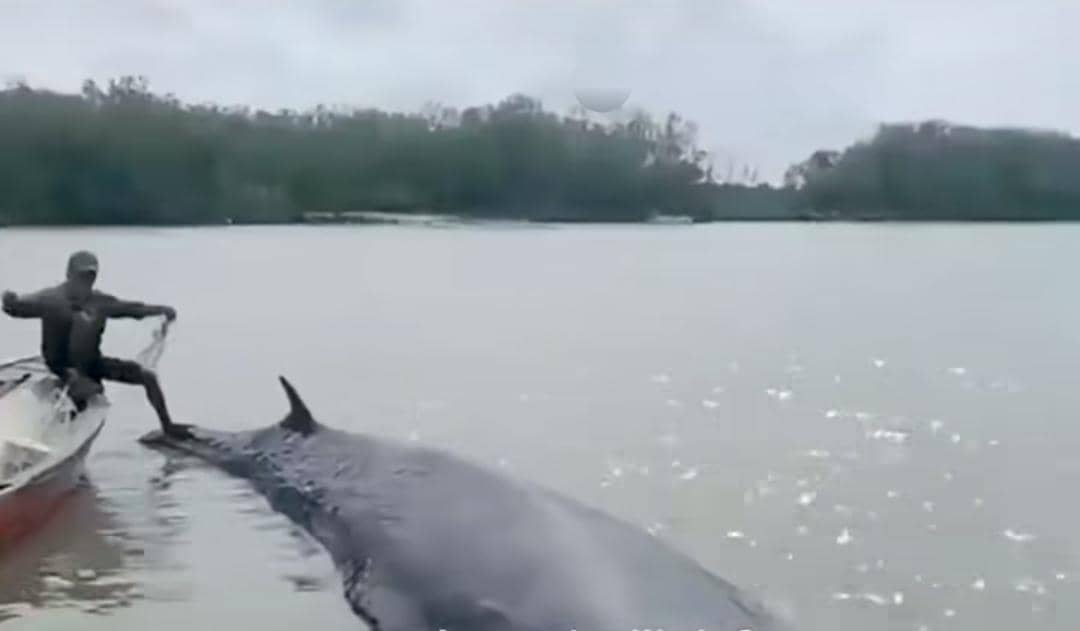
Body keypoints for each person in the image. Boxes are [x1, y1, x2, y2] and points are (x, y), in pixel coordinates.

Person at [2, 251, 191, 438]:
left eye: (90, 277)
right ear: (69, 274)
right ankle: (53, 429)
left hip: (92, 363)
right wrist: (9, 301)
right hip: (60, 366)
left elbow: (134, 309)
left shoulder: (100, 302)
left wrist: (162, 310)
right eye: (82, 276)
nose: (86, 282)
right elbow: (17, 308)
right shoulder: (51, 299)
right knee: (86, 390)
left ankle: (168, 427)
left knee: (147, 377)